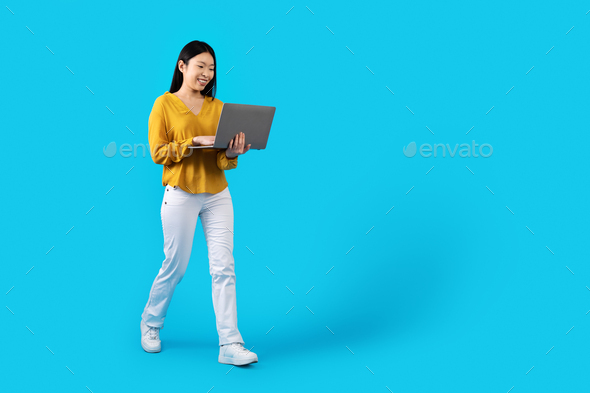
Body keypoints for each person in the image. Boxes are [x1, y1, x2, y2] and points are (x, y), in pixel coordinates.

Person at [140, 40, 257, 366]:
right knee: (175, 266)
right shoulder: (163, 105)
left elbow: (222, 160)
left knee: (224, 266)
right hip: (180, 194)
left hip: (217, 194)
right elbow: (158, 152)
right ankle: (150, 321)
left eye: (211, 69)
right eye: (200, 66)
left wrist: (232, 152)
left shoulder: (218, 108)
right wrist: (192, 143)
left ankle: (230, 344)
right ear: (182, 66)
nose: (206, 74)